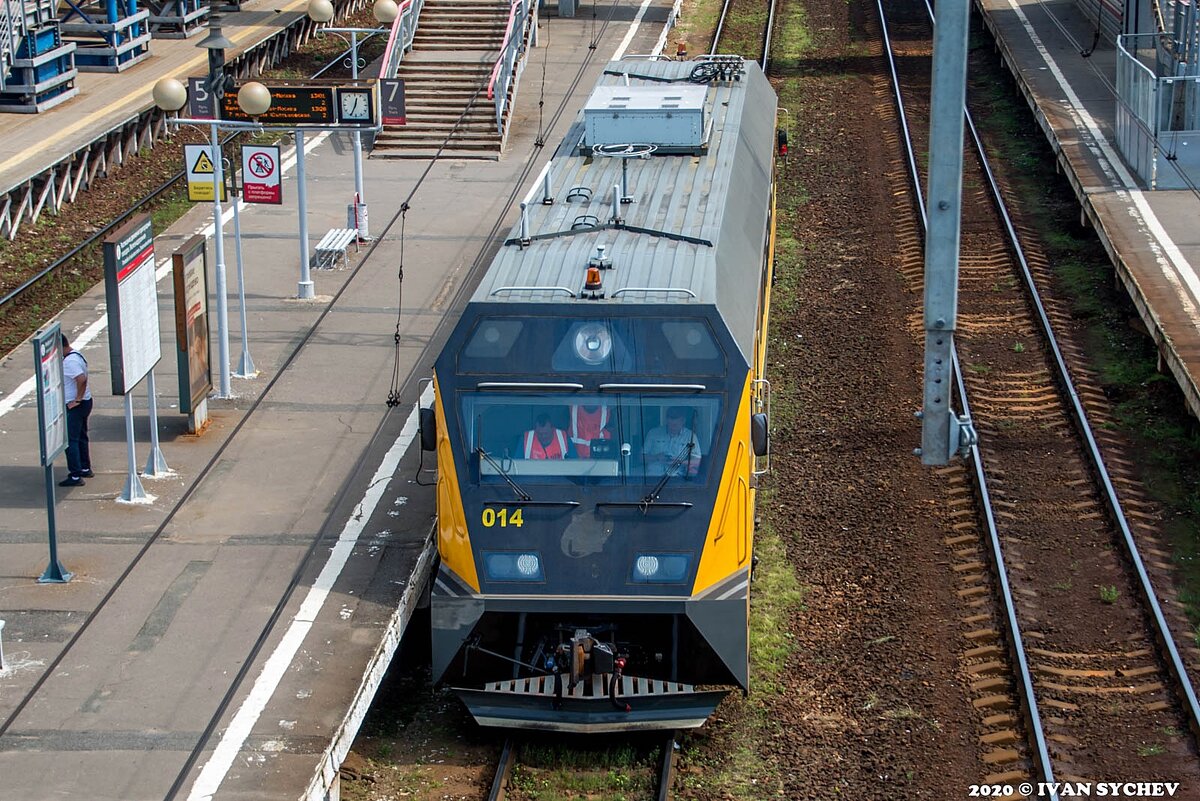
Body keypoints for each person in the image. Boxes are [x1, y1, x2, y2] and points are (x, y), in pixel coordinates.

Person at [60, 333, 93, 487]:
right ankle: (85, 467)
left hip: (77, 406)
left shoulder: (69, 362)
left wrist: (77, 399)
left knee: (70, 441)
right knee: (81, 437)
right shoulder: (76, 354)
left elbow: (81, 379)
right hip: (86, 402)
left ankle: (75, 476)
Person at [642, 406, 701, 477]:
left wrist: (679, 462)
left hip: (677, 478)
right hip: (653, 477)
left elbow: (697, 461)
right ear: (666, 420)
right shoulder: (653, 433)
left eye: (675, 425)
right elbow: (641, 458)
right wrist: (656, 457)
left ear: (683, 421)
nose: (673, 427)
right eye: (671, 424)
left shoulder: (690, 436)